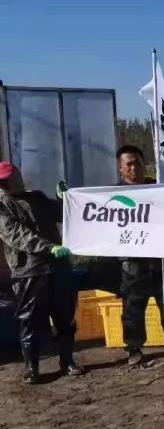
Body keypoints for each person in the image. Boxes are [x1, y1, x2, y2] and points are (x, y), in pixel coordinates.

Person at [0, 162, 82, 383]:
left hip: (58, 267)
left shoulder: (37, 197)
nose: (5, 185)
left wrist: (64, 199)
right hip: (28, 272)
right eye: (2, 182)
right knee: (30, 321)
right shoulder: (2, 207)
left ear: (17, 176)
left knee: (65, 316)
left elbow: (61, 214)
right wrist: (49, 247)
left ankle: (68, 361)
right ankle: (32, 368)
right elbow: (17, 235)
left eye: (8, 180)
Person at [115, 145, 164, 365]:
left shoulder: (159, 188)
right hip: (133, 260)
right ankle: (134, 347)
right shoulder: (112, 195)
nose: (134, 167)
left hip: (162, 256)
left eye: (137, 162)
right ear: (120, 168)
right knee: (133, 305)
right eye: (129, 164)